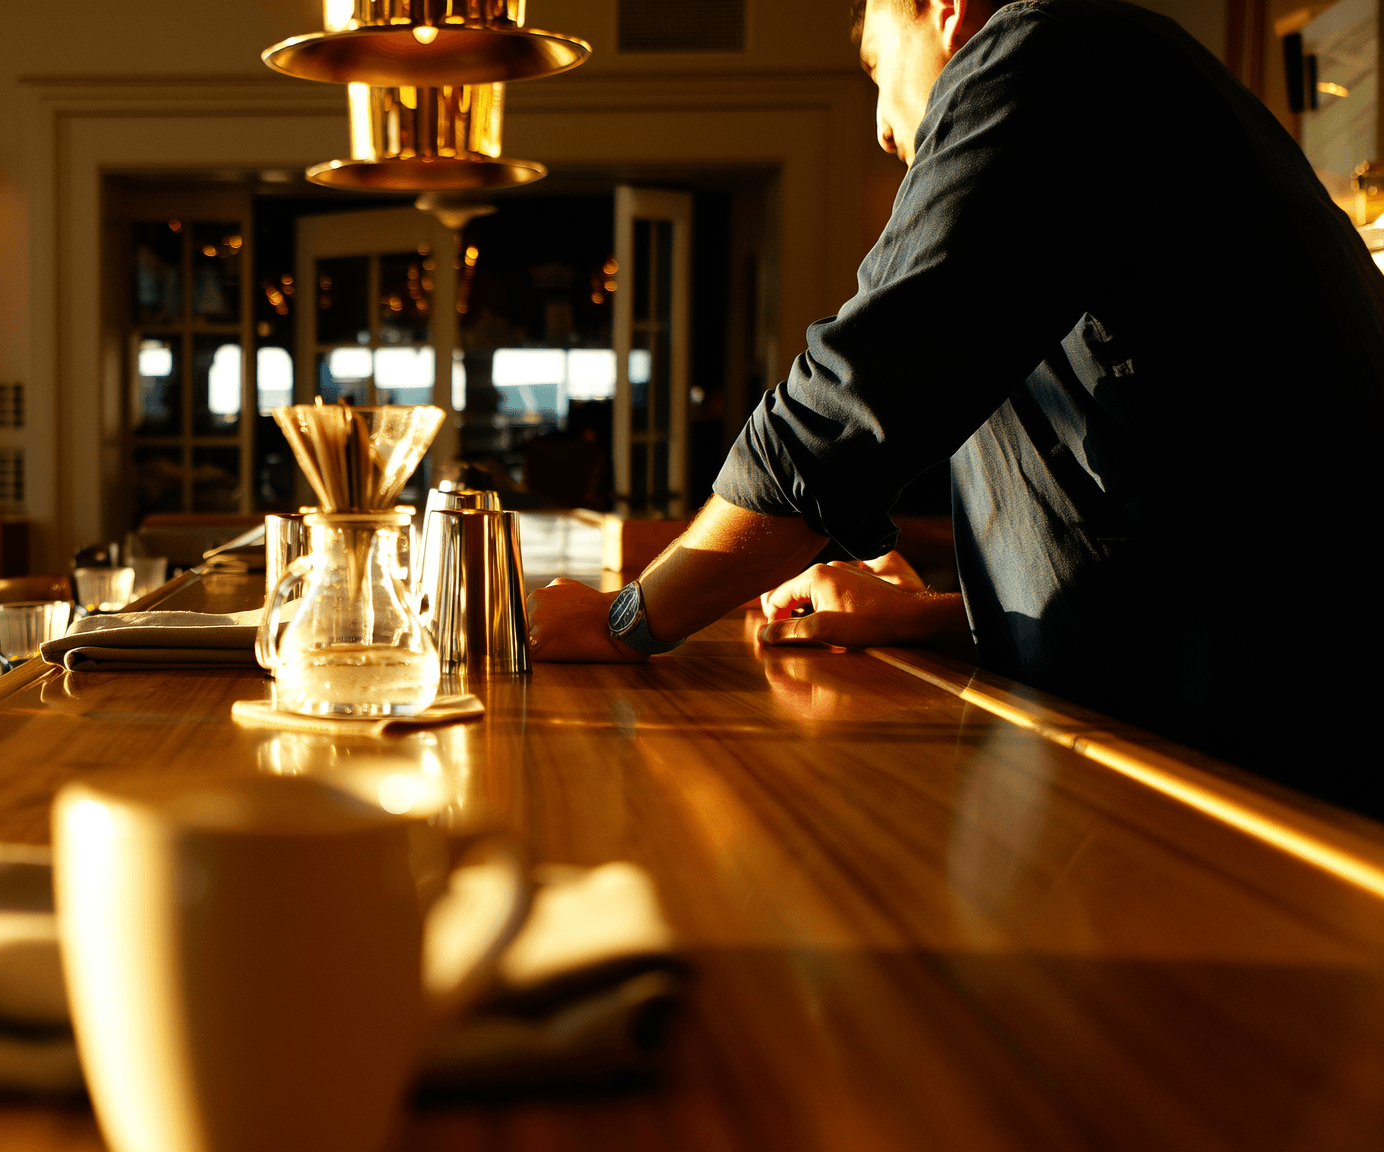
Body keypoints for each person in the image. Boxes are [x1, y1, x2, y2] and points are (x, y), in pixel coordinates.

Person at [529, 0, 1384, 813]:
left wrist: (626, 620)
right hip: (1215, 740)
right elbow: (1167, 540)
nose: (880, 124)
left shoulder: (1041, 55)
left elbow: (848, 402)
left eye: (873, 65)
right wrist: (935, 619)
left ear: (944, 7)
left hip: (1261, 776)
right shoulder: (1130, 79)